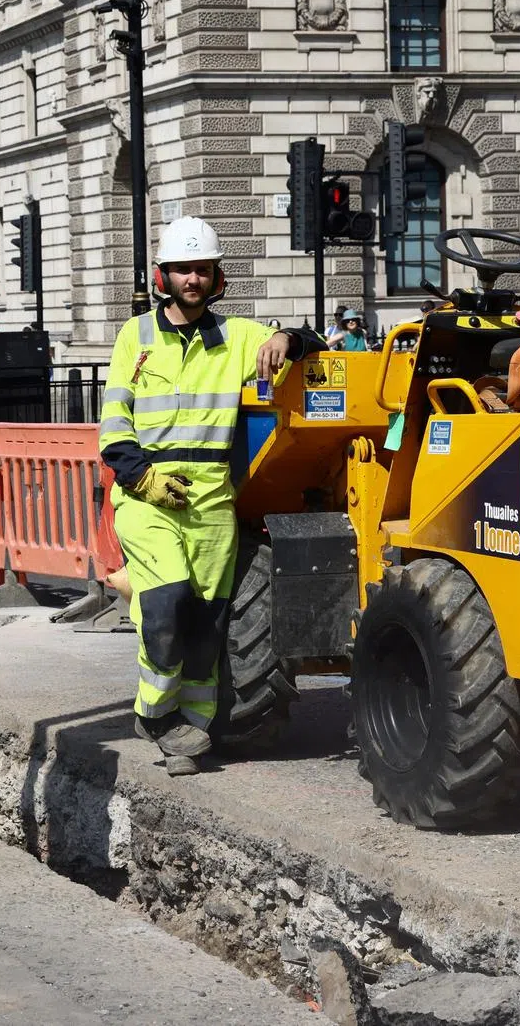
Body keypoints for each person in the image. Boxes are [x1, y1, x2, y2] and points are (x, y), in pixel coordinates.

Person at [99, 216, 323, 776]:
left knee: (208, 619)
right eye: (182, 270)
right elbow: (114, 422)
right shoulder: (137, 337)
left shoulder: (241, 336)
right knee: (167, 601)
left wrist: (286, 338)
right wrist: (140, 478)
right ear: (162, 277)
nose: (192, 279)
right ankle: (154, 713)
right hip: (148, 495)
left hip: (212, 502)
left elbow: (311, 341)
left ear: (216, 276)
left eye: (201, 269)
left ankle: (191, 732)